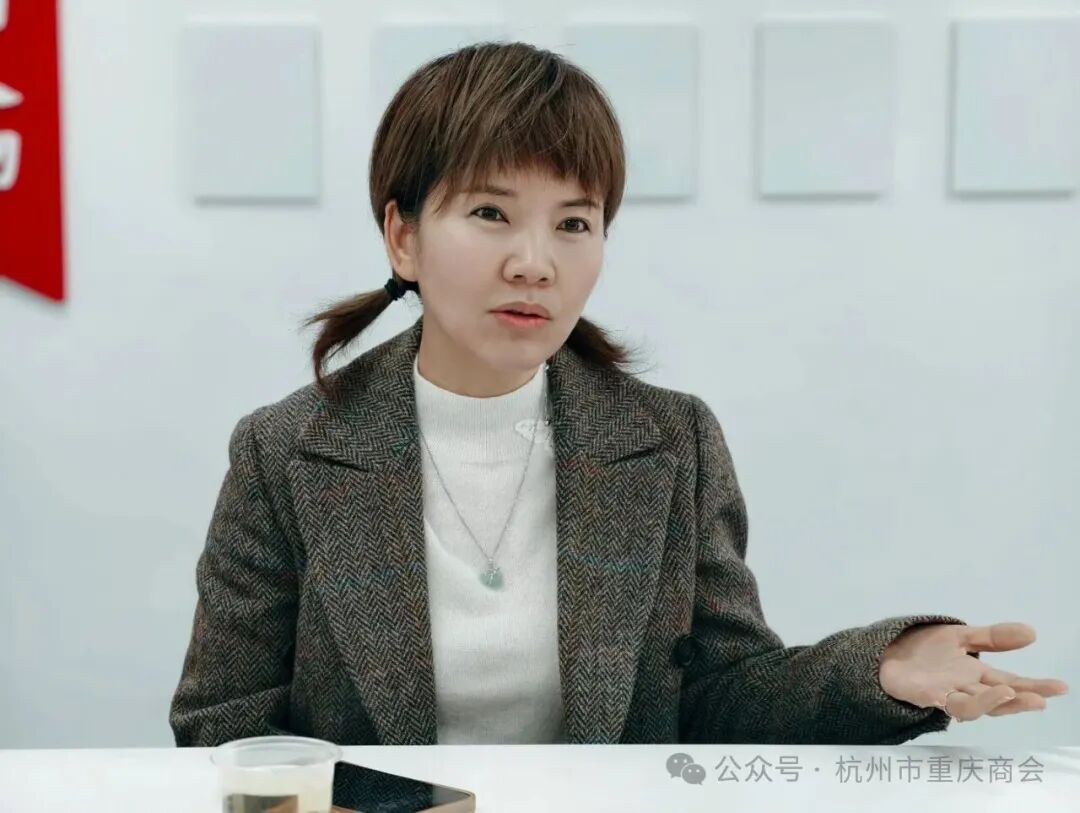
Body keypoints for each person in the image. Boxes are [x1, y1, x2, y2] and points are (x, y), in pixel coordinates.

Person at [169, 41, 1068, 747]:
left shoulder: (671, 439)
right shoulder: (285, 450)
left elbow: (723, 693)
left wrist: (879, 669)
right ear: (402, 236)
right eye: (490, 213)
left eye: (574, 222)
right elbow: (221, 728)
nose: (535, 262)